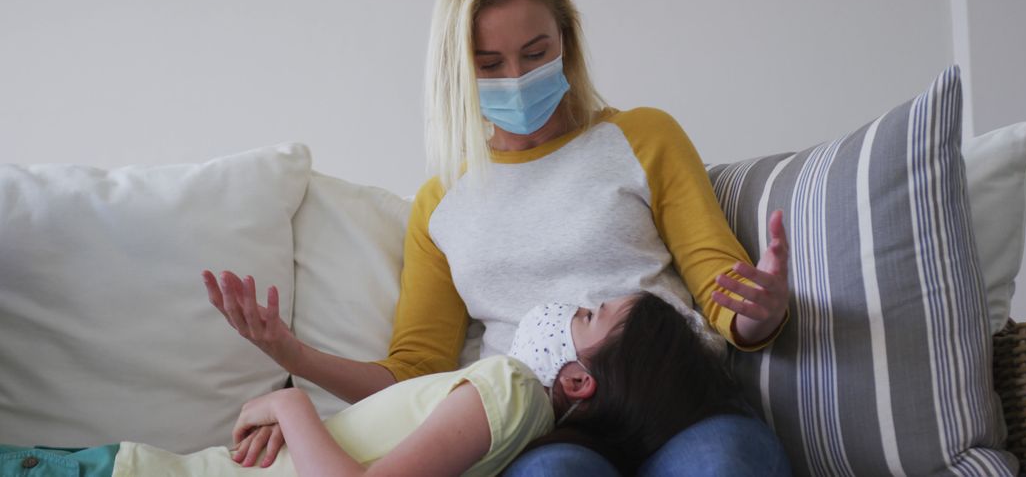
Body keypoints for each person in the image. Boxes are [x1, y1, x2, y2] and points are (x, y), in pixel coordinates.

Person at [205, 0, 793, 475]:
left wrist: (758, 312)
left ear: (566, 41)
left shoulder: (644, 136)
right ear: (458, 71)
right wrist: (292, 355)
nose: (517, 78)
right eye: (490, 65)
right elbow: (415, 376)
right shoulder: (442, 203)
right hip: (551, 428)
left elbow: (721, 286)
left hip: (675, 399)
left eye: (537, 53)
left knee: (727, 463)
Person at [0, 293, 764, 476]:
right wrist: (304, 430)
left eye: (590, 313)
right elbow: (394, 427)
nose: (570, 302)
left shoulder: (509, 389)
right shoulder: (509, 407)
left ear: (578, 376)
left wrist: (289, 402)